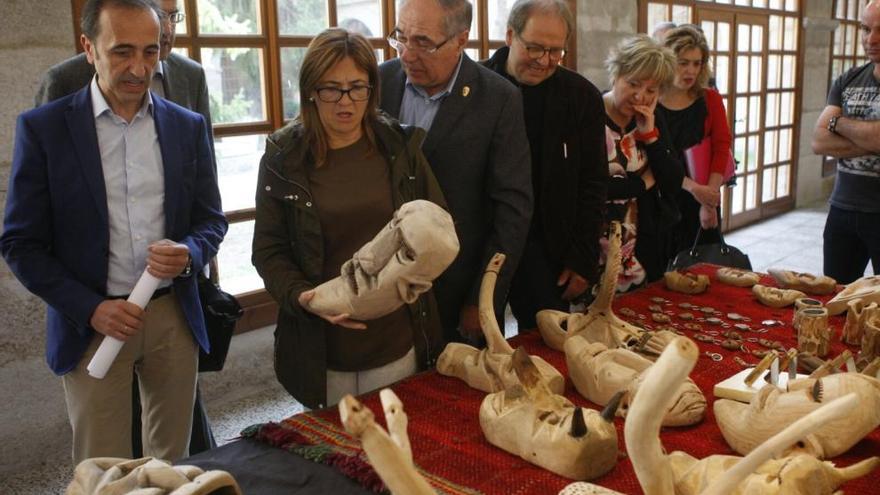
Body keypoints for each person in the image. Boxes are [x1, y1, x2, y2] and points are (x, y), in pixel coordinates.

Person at [1, 0, 227, 464]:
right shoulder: (45, 129)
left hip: (172, 317)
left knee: (172, 464)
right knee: (102, 468)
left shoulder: (187, 127)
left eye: (150, 52)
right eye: (122, 51)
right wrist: (91, 309)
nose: (138, 68)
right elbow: (20, 243)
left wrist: (188, 252)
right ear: (89, 47)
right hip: (93, 321)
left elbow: (211, 221)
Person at [252, 28, 447, 409]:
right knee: (332, 456)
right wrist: (302, 297)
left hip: (396, 337)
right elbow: (268, 250)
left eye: (358, 87)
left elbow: (436, 222)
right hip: (322, 344)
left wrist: (420, 273)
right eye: (331, 88)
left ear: (372, 90)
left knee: (394, 450)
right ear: (311, 90)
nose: (346, 101)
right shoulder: (283, 158)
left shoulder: (398, 148)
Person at [379, 0, 532, 343]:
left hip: (456, 286)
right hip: (384, 281)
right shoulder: (379, 81)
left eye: (423, 42)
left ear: (461, 39)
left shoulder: (498, 99)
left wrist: (483, 297)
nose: (407, 54)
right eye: (400, 37)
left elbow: (512, 210)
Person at [481, 0, 606, 331]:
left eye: (555, 52)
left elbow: (593, 183)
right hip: (483, 244)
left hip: (549, 249)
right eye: (535, 48)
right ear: (510, 35)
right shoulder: (477, 88)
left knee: (546, 347)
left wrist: (583, 258)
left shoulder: (581, 97)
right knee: (472, 351)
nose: (544, 60)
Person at [601, 35, 684, 291]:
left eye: (651, 90)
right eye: (633, 84)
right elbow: (592, 186)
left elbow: (673, 180)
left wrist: (650, 137)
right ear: (616, 76)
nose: (640, 96)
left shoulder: (653, 118)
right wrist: (644, 183)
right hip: (594, 248)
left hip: (642, 249)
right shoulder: (590, 114)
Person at [812, 0, 880, 284]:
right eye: (865, 29)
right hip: (842, 208)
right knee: (835, 298)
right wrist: (873, 139)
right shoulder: (848, 79)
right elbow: (819, 141)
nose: (871, 39)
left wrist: (839, 124)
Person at [658, 25, 732, 253]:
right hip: (661, 197)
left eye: (696, 63)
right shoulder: (652, 98)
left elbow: (721, 148)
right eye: (683, 63)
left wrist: (708, 201)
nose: (690, 71)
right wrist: (692, 189)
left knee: (701, 269)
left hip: (701, 199)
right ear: (669, 61)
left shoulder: (710, 99)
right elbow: (655, 155)